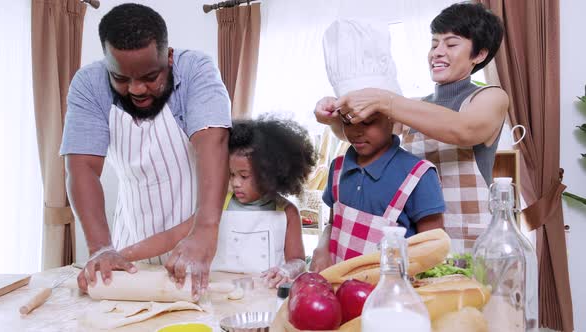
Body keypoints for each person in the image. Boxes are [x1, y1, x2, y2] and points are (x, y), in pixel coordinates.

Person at [61, 3, 231, 299]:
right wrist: (101, 248)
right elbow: (82, 167)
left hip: (200, 243)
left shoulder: (195, 71)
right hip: (130, 249)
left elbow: (212, 144)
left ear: (169, 57)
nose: (137, 90)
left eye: (151, 77)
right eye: (122, 79)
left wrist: (204, 230)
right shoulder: (89, 85)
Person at [314, 3, 507, 253]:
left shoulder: (491, 98)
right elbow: (369, 136)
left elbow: (464, 129)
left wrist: (384, 100)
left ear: (479, 54)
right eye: (434, 43)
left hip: (467, 243)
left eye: (450, 44)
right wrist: (332, 118)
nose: (437, 52)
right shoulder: (415, 106)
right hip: (416, 241)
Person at [310, 20, 445, 273]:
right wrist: (322, 247)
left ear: (391, 116)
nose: (357, 132)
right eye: (348, 122)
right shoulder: (338, 168)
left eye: (369, 121)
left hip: (392, 300)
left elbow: (432, 253)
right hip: (341, 295)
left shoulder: (417, 175)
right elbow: (334, 223)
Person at [118, 117, 315, 288]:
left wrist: (286, 270)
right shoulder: (217, 207)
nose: (235, 183)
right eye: (230, 174)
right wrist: (121, 256)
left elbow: (297, 260)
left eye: (244, 176)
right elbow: (172, 237)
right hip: (218, 295)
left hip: (265, 297)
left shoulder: (287, 212)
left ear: (269, 174)